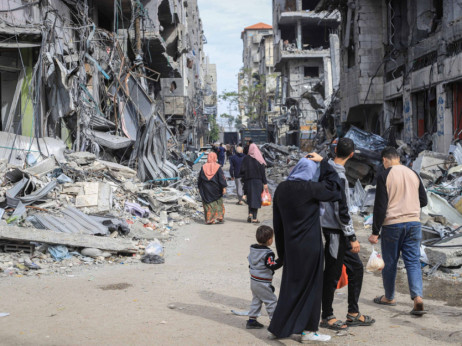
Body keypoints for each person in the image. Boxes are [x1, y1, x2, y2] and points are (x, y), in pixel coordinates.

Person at [268, 156, 342, 343]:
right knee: (312, 289)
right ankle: (308, 330)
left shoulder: (282, 189)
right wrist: (324, 162)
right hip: (310, 247)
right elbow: (336, 188)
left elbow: (278, 224)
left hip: (291, 248)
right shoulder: (310, 189)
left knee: (290, 288)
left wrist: (282, 254)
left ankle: (279, 328)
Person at [319, 139, 375, 331]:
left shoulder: (326, 170)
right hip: (336, 232)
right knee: (332, 274)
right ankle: (327, 316)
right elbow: (340, 210)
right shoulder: (338, 177)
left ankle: (353, 313)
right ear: (351, 155)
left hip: (336, 231)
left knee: (356, 268)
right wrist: (352, 237)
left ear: (335, 150)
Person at [369, 147, 428, 315]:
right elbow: (423, 200)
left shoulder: (384, 176)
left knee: (390, 262)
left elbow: (380, 206)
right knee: (413, 262)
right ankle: (418, 298)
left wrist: (375, 231)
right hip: (414, 224)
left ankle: (389, 297)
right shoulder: (413, 173)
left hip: (392, 225)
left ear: (385, 160)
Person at [246, 225, 283, 329]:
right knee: (271, 301)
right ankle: (275, 323)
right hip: (263, 282)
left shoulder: (253, 250)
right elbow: (272, 265)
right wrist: (282, 260)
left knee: (256, 300)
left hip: (254, 281)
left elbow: (250, 262)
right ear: (270, 240)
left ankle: (252, 320)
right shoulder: (268, 253)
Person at [238, 143, 267, 223]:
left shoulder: (246, 158)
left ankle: (250, 214)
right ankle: (254, 218)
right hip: (258, 182)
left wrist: (243, 180)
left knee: (250, 198)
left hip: (248, 182)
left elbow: (242, 171)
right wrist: (265, 183)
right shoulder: (259, 158)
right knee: (256, 199)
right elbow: (262, 172)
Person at [197, 152, 227, 225]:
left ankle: (210, 219)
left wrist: (199, 187)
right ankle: (219, 216)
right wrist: (224, 187)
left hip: (206, 189)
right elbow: (221, 179)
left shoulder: (203, 167)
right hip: (216, 188)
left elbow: (200, 179)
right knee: (218, 202)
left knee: (208, 204)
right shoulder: (218, 167)